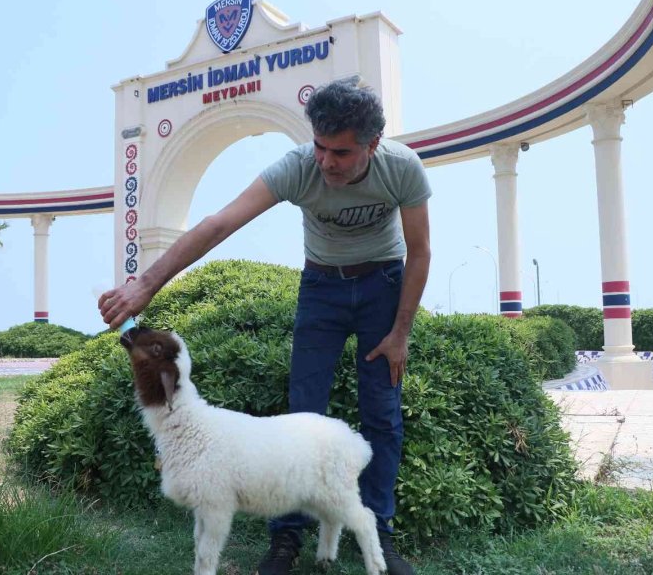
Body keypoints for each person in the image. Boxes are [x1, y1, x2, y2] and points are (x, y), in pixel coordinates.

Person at [99, 79, 431, 575]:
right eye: (319, 146)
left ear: (371, 146)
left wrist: (401, 332)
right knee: (302, 410)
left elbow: (420, 251)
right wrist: (146, 285)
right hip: (321, 288)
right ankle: (285, 538)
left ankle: (377, 530)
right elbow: (219, 223)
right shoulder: (299, 167)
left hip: (384, 284)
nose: (326, 161)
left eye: (340, 152)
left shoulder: (402, 168)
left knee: (382, 412)